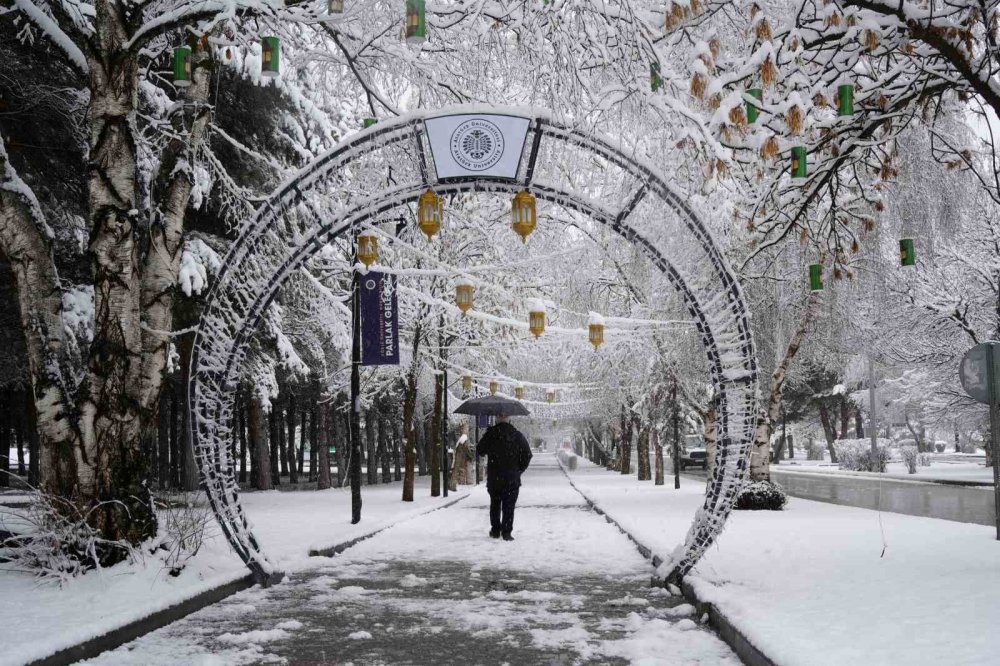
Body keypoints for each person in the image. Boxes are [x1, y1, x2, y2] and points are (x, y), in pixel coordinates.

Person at [476, 415, 532, 541]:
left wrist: (488, 438)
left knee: (495, 504)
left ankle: (495, 530)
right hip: (512, 478)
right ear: (509, 419)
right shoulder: (517, 435)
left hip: (495, 478)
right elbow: (528, 454)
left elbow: (480, 450)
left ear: (497, 419)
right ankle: (506, 532)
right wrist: (519, 470)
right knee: (509, 506)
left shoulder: (491, 435)